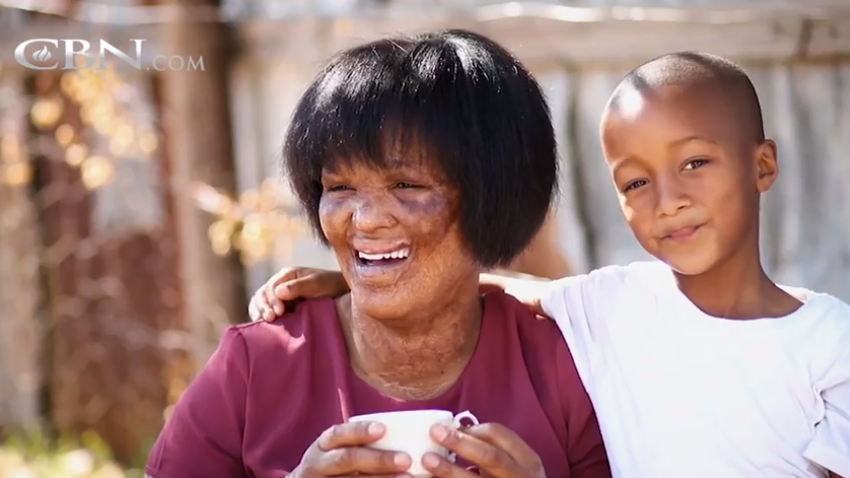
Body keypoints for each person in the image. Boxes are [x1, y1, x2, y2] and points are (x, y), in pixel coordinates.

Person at [249, 51, 850, 478]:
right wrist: (356, 280)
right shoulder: (615, 303)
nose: (669, 201)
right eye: (636, 181)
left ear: (763, 166)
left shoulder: (829, 342)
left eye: (695, 163)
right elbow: (481, 279)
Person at [145, 29, 611, 478]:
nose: (364, 220)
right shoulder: (257, 365)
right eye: (340, 187)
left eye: (406, 185)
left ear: (499, 194)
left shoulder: (564, 367)